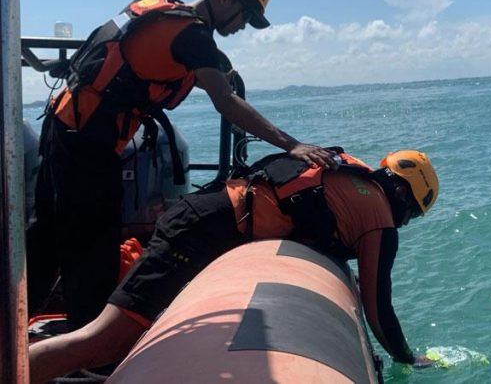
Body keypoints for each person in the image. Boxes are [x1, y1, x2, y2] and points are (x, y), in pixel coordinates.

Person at [26, 0, 338, 330]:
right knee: (92, 249)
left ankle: (16, 320)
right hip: (88, 144)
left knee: (46, 235)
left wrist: (218, 66)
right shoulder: (193, 35)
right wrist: (291, 145)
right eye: (245, 17)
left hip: (64, 125)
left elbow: (170, 59)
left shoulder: (170, 13)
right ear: (225, 0)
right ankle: (88, 354)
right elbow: (227, 101)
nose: (243, 27)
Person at [29, 148, 440, 383]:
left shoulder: (348, 179)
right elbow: (378, 309)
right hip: (202, 231)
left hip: (202, 215)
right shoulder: (379, 221)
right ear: (408, 202)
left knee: (112, 341)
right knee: (103, 340)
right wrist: (407, 357)